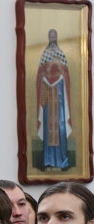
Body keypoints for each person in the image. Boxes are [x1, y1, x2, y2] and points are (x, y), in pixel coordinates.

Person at [37, 28, 72, 170]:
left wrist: (59, 69)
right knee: (48, 128)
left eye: (54, 35)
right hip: (48, 98)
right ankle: (48, 160)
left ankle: (62, 160)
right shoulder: (44, 54)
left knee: (59, 126)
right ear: (48, 37)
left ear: (56, 37)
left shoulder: (61, 53)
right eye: (50, 35)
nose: (52, 37)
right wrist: (46, 72)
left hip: (59, 98)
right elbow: (40, 74)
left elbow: (65, 75)